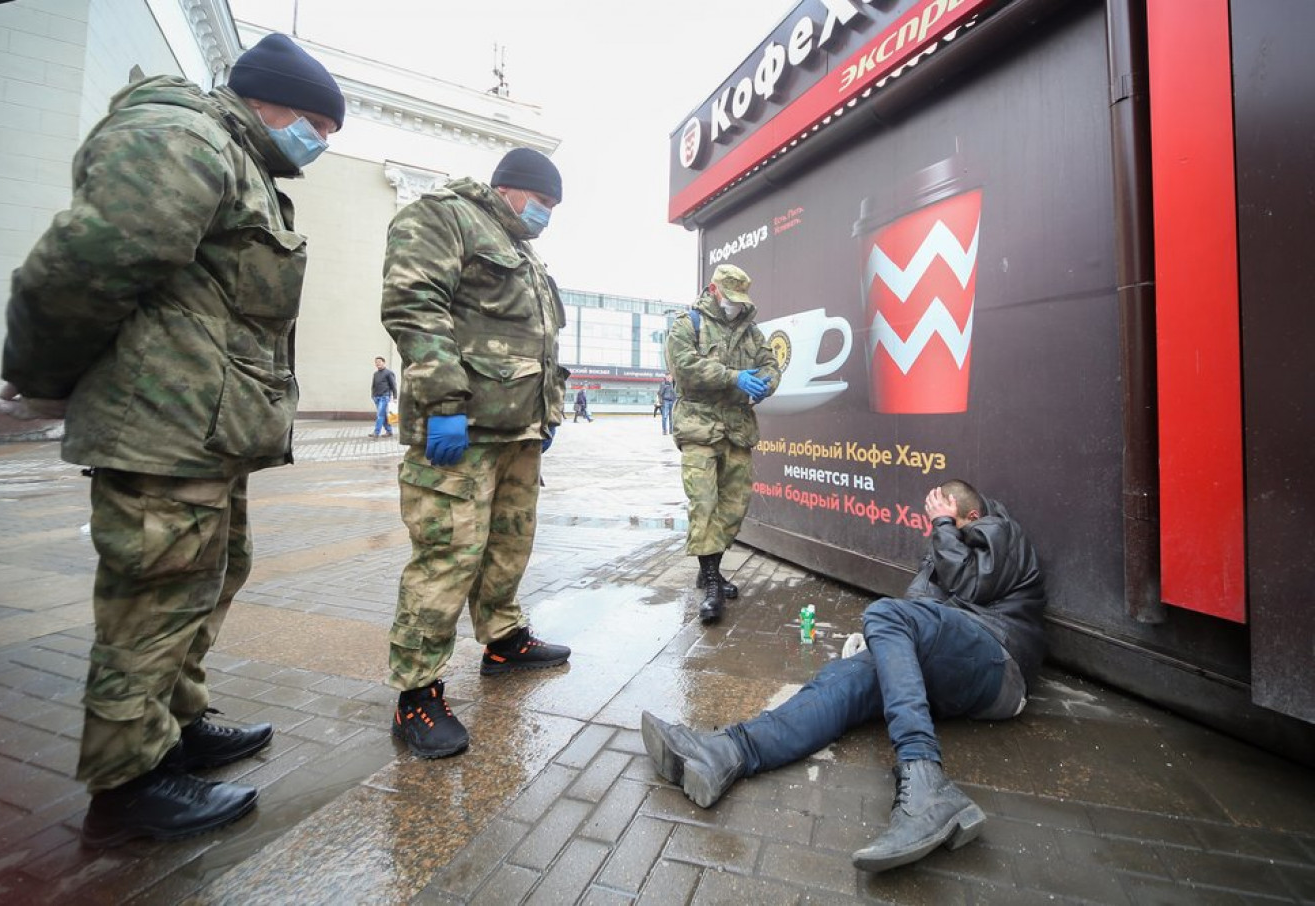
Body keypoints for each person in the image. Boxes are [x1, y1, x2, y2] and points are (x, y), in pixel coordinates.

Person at [0, 34, 345, 847]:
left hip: (205, 432)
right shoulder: (183, 137)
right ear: (270, 103)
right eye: (317, 127)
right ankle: (129, 786)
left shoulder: (236, 157)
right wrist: (42, 373)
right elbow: (88, 262)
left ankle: (175, 727)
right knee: (153, 600)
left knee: (203, 583)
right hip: (163, 430)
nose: (319, 146)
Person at [641, 480, 1046, 873]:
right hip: (956, 667)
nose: (937, 529)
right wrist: (886, 651)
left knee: (884, 613)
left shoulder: (999, 531)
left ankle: (925, 780)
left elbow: (968, 585)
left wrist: (943, 528)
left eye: (945, 519)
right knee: (844, 678)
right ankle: (728, 753)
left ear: (970, 516)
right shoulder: (946, 547)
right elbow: (921, 610)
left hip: (999, 662)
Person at [381, 147, 572, 759]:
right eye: (543, 201)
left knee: (508, 545)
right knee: (447, 555)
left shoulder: (525, 254)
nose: (546, 214)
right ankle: (416, 693)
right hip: (462, 429)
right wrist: (442, 403)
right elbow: (414, 305)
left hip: (518, 431)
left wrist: (549, 412)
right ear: (511, 188)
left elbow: (543, 346)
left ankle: (504, 640)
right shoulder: (444, 216)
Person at [664, 264, 779, 623]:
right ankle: (712, 582)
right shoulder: (688, 324)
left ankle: (707, 567)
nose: (736, 305)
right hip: (699, 429)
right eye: (730, 298)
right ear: (714, 291)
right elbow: (683, 367)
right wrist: (734, 378)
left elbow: (771, 364)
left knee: (735, 505)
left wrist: (765, 383)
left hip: (737, 430)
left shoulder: (751, 331)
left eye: (740, 299)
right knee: (704, 502)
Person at [369, 355, 397, 437]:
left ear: (384, 362)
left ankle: (376, 432)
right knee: (383, 415)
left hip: (384, 397)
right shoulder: (375, 374)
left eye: (379, 362)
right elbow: (373, 385)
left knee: (379, 415)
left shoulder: (389, 373)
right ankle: (389, 431)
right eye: (376, 362)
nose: (378, 364)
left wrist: (395, 397)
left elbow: (393, 385)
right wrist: (373, 395)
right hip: (376, 397)